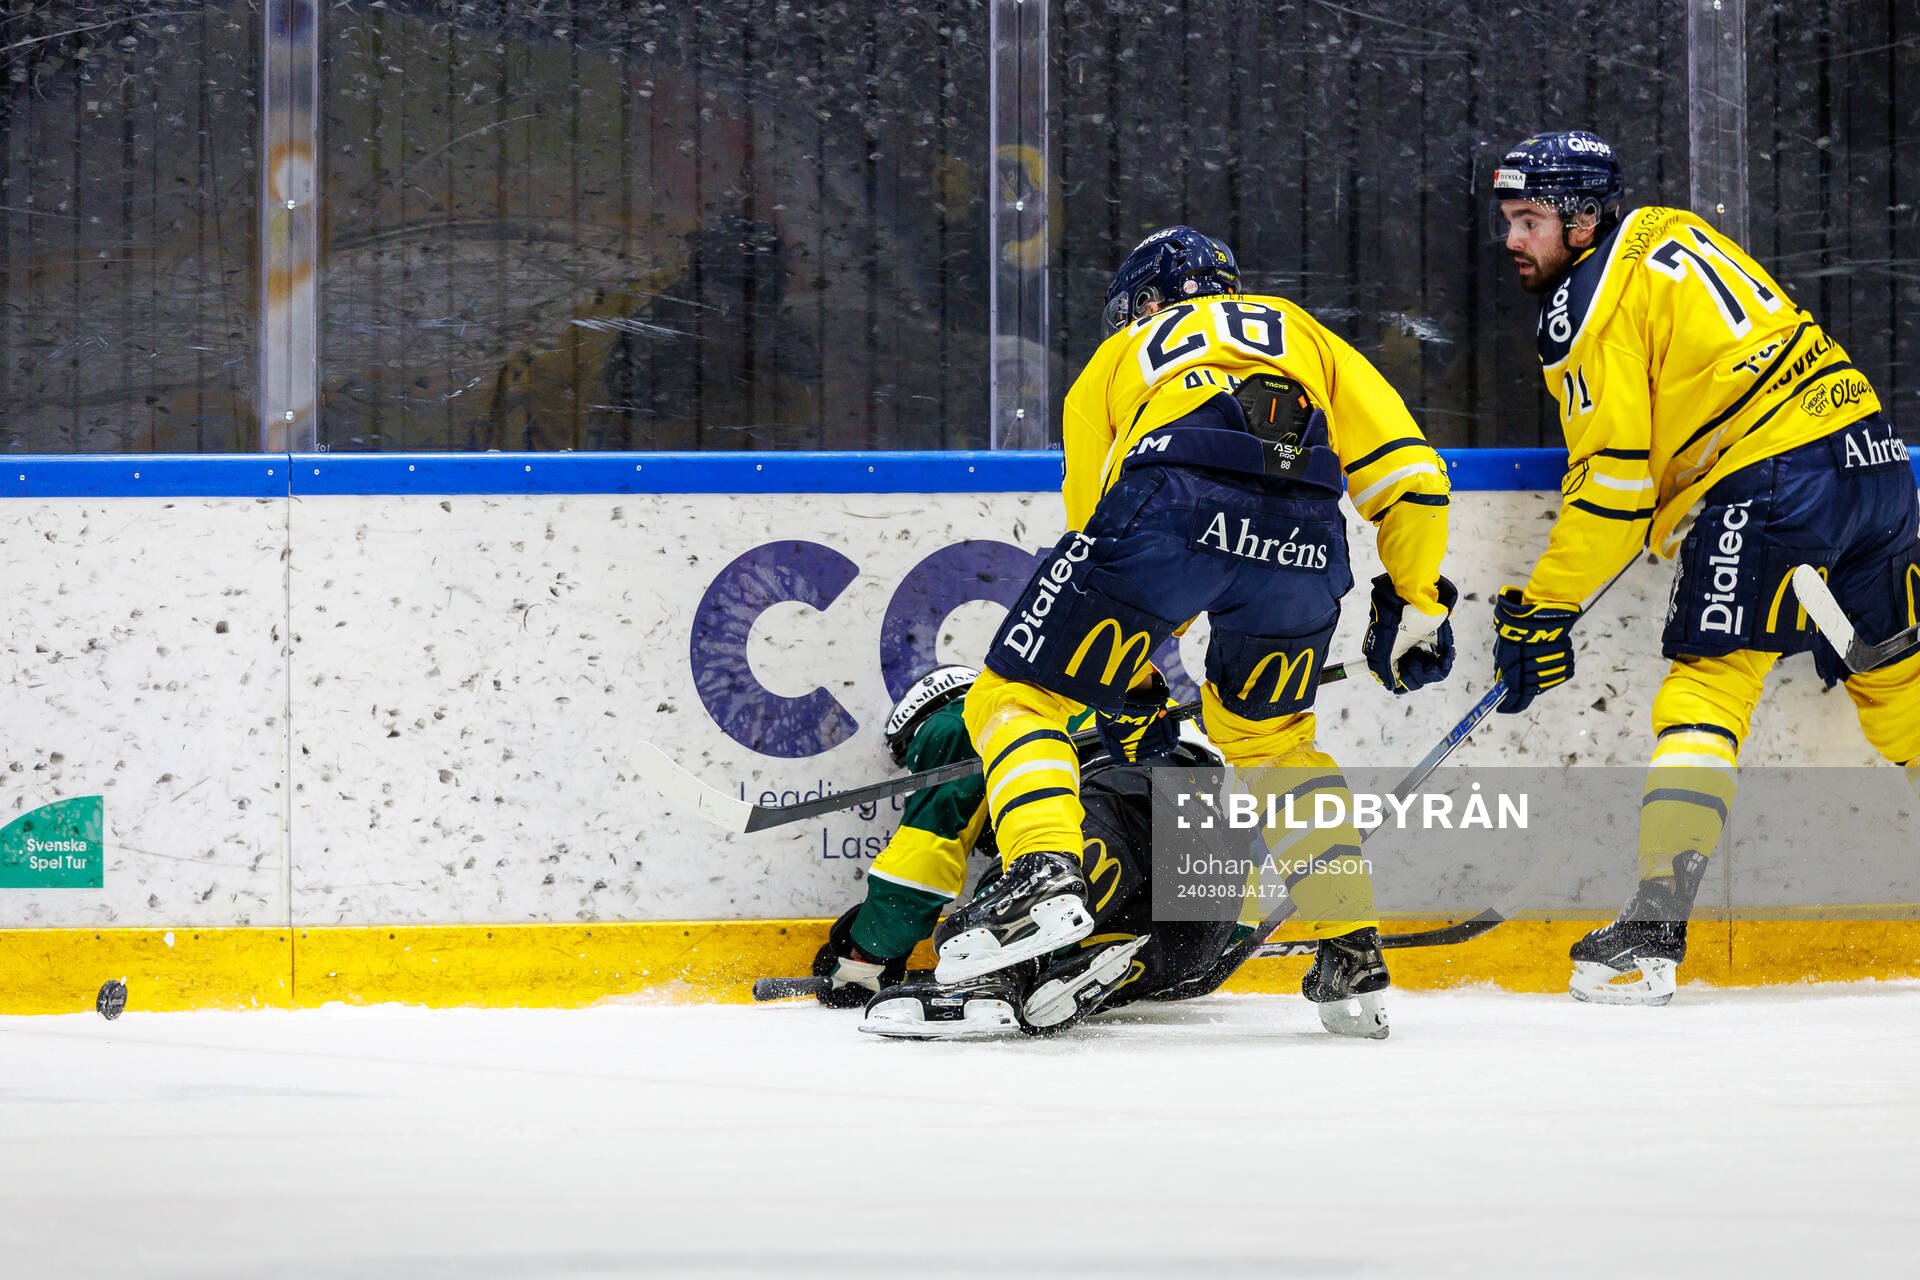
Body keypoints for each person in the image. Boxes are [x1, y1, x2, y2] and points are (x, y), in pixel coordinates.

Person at [931, 226, 1459, 1038]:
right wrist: (1417, 601)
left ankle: (1042, 874)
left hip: (1169, 504)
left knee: (1018, 691)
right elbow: (1412, 476)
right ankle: (1350, 946)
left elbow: (1095, 533)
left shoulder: (1122, 355)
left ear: (1145, 302)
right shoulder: (1303, 333)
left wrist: (1127, 685)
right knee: (1275, 740)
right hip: (1306, 536)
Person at [1489, 130, 1920, 1005]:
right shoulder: (1670, 229)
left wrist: (1543, 609)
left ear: (1582, 221)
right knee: (1903, 690)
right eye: (1508, 219)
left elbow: (1610, 486)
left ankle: (1648, 937)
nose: (1512, 240)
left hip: (1775, 483)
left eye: (1529, 219)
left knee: (1707, 690)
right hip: (1872, 457)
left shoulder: (1583, 307)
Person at [814, 665, 1248, 1039]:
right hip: (1218, 844)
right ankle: (1055, 972)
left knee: (1034, 879)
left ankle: (989, 978)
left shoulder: (961, 718)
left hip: (1124, 795)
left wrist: (864, 955)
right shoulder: (1069, 694)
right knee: (1101, 957)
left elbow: (925, 855)